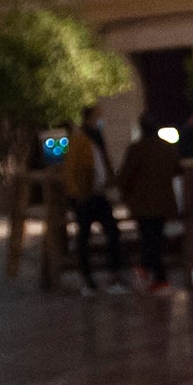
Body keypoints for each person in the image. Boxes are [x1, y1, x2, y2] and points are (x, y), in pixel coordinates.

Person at [61, 112, 127, 293]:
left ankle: (114, 275)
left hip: (98, 194)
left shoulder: (97, 140)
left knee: (112, 231)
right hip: (85, 196)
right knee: (84, 236)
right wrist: (76, 194)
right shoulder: (79, 140)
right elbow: (72, 169)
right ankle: (87, 279)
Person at [118, 121, 186, 294]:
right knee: (155, 238)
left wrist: (125, 196)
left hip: (142, 203)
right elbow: (178, 169)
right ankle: (155, 275)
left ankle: (151, 272)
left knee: (148, 238)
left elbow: (125, 174)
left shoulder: (136, 149)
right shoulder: (167, 149)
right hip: (162, 202)